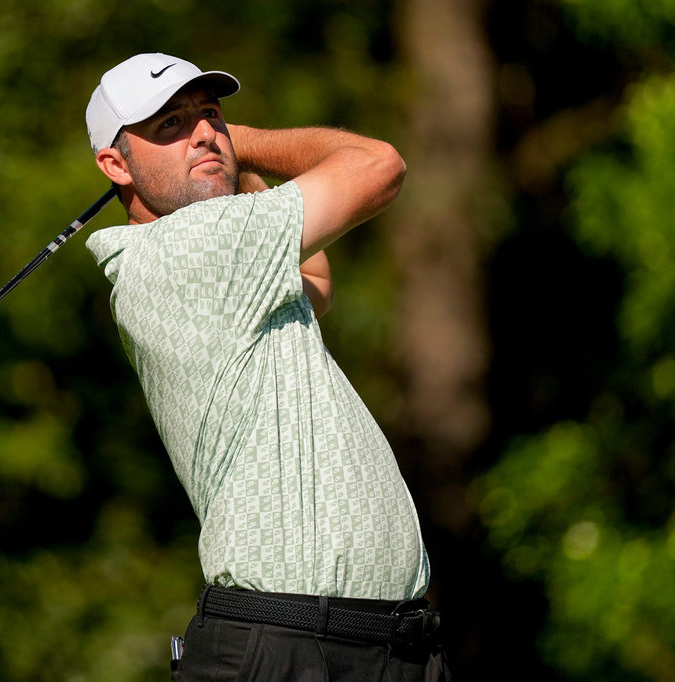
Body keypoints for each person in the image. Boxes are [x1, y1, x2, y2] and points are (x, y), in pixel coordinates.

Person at [84, 53, 449, 681]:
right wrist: (242, 142)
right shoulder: (195, 245)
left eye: (210, 115)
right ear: (116, 165)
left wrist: (219, 157)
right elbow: (378, 164)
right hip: (286, 645)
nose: (203, 132)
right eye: (170, 124)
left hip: (378, 648)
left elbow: (314, 283)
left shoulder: (225, 259)